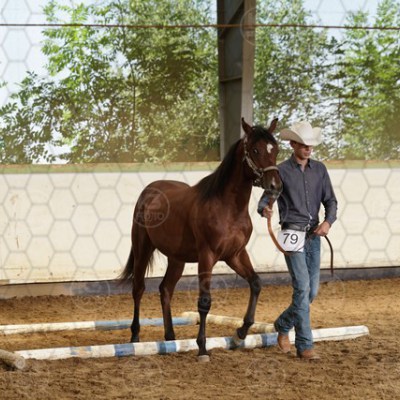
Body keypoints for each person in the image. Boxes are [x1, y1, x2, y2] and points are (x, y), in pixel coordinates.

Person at [257, 120, 337, 360]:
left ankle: (283, 324)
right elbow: (266, 198)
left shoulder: (320, 169)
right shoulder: (281, 170)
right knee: (302, 288)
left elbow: (331, 201)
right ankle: (305, 345)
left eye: (310, 145)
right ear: (292, 144)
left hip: (314, 235)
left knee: (311, 292)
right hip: (291, 234)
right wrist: (264, 209)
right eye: (303, 145)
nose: (308, 149)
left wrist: (327, 222)